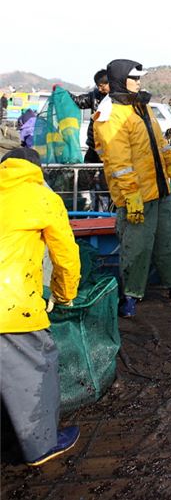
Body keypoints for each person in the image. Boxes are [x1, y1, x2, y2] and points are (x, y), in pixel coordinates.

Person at [93, 59, 171, 318]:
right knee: (137, 245)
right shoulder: (110, 115)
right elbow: (117, 162)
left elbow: (161, 144)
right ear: (121, 80)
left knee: (170, 240)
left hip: (160, 189)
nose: (139, 82)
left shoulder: (142, 107)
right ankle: (131, 295)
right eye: (135, 79)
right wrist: (131, 196)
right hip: (136, 195)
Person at [0, 147, 81, 466]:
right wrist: (63, 294)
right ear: (37, 171)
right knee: (37, 362)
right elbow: (65, 257)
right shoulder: (43, 198)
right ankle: (42, 445)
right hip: (12, 305)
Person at [69, 69, 110, 162]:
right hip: (93, 145)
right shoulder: (95, 95)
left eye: (102, 86)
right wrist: (64, 93)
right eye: (98, 86)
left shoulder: (117, 99)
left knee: (104, 173)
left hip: (109, 146)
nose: (99, 89)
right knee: (85, 172)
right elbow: (79, 101)